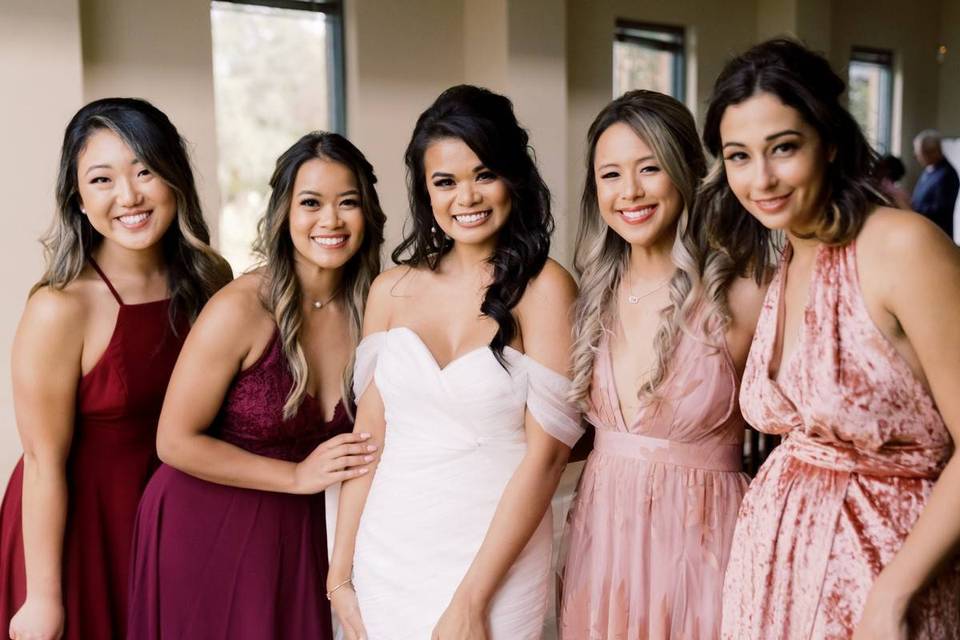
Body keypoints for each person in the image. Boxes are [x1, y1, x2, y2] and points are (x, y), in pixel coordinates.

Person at [700, 39, 960, 639]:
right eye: (738, 156)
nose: (760, 178)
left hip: (883, 581)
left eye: (783, 148)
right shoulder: (783, 256)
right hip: (771, 581)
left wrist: (892, 594)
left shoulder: (901, 247)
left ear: (831, 143)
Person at [327, 85, 582, 640]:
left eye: (483, 174)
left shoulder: (546, 290)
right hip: (387, 554)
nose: (466, 197)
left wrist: (472, 600)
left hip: (493, 562)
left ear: (514, 177)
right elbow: (369, 438)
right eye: (445, 181)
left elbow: (545, 460)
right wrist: (340, 573)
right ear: (426, 192)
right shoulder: (390, 290)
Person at [126, 132, 385, 639]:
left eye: (347, 203)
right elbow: (173, 440)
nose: (329, 221)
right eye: (310, 203)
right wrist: (295, 477)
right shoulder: (240, 308)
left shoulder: (375, 309)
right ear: (284, 214)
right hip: (204, 524)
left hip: (304, 534)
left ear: (368, 215)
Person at [0, 98, 231, 640]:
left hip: (173, 527)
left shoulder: (209, 282)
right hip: (78, 537)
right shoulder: (61, 307)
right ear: (78, 199)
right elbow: (41, 461)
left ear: (174, 177)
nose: (128, 196)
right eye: (102, 179)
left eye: (145, 170)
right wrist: (44, 598)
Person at [558, 90, 766, 639]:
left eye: (649, 168)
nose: (629, 192)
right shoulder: (590, 296)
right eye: (610, 175)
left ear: (687, 173)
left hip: (704, 549)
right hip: (601, 549)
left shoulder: (738, 292)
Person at [911, 129, 959, 239]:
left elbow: (941, 210)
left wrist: (912, 208)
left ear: (934, 151)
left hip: (937, 235)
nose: (916, 156)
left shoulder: (947, 174)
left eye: (920, 153)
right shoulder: (930, 169)